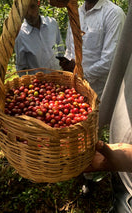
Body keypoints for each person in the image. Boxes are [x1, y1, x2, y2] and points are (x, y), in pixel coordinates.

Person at [84, 0, 132, 211]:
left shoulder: (113, 13)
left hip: (99, 90)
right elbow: (71, 47)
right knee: (85, 142)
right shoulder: (77, 11)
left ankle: (92, 177)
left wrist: (83, 74)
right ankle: (93, 178)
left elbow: (110, 60)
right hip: (80, 91)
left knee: (94, 136)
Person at [60, 0, 126, 98]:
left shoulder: (113, 14)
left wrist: (81, 75)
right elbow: (70, 49)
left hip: (99, 94)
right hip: (74, 90)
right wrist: (67, 63)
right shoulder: (76, 13)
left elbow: (109, 62)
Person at [14, 0, 65, 76]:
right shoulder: (21, 36)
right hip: (39, 83)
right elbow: (21, 67)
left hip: (57, 78)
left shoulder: (52, 24)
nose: (29, 13)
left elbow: (61, 50)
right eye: (25, 9)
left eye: (32, 7)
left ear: (38, 4)